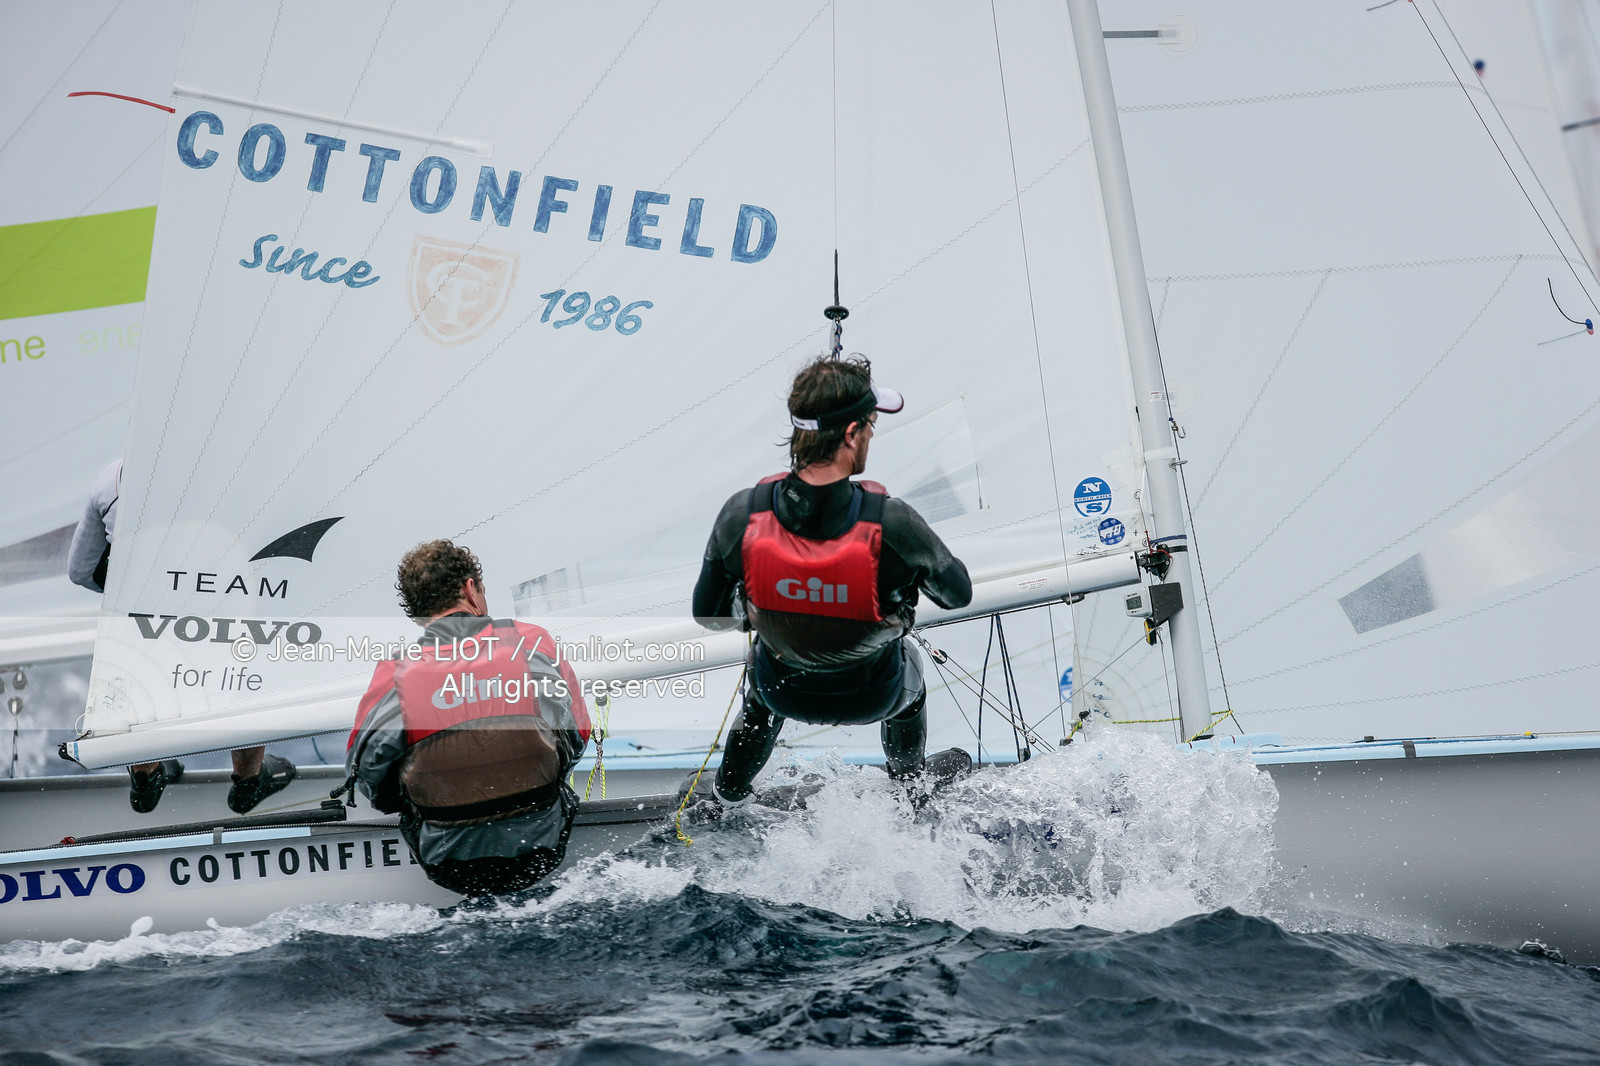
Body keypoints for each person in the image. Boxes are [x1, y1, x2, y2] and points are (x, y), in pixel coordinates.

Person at [691, 354, 974, 809]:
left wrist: (768, 609)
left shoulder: (742, 515)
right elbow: (958, 594)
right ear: (850, 434)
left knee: (761, 685)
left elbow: (710, 616)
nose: (870, 437)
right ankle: (909, 787)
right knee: (913, 676)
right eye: (870, 427)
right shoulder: (894, 523)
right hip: (874, 696)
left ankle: (728, 794)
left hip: (781, 691)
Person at [346, 539, 591, 897]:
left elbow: (371, 783)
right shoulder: (531, 642)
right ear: (470, 588)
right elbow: (577, 738)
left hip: (451, 867)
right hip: (542, 849)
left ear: (416, 614)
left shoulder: (394, 674)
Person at [68, 457, 295, 814]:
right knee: (247, 672)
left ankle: (147, 776)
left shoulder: (111, 479)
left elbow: (79, 570)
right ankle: (248, 782)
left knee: (138, 670)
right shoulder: (239, 468)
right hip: (220, 616)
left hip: (146, 622)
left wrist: (131, 595)